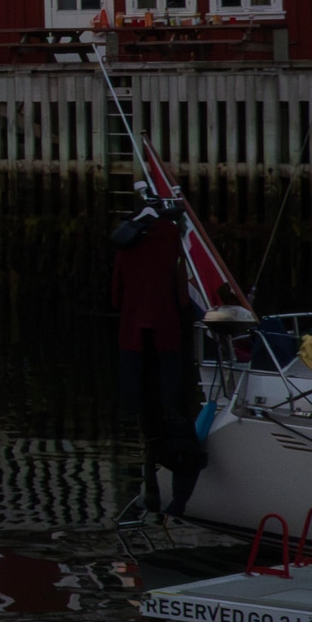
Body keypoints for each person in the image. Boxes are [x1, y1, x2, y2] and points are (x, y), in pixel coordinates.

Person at [113, 194, 203, 514]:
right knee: (175, 411)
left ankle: (151, 486)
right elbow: (182, 295)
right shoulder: (171, 244)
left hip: (134, 344)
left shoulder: (126, 244)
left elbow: (115, 296)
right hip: (166, 340)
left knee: (146, 417)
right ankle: (180, 492)